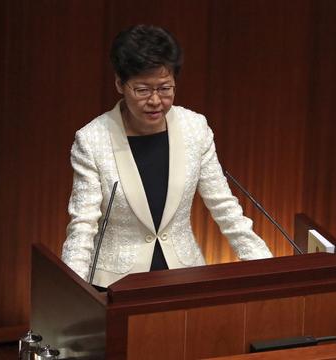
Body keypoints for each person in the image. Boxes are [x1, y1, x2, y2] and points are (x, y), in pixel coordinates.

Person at [62, 24, 272, 289]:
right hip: (116, 285)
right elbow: (82, 226)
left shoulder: (195, 128)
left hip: (183, 277)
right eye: (142, 90)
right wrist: (71, 293)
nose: (155, 100)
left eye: (164, 88)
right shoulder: (92, 139)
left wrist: (266, 267)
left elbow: (224, 207)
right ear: (119, 84)